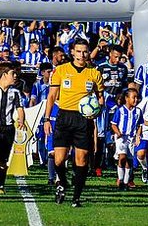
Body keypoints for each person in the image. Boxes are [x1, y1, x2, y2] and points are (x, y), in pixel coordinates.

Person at [43, 38, 104, 208]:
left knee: (82, 160)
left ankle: (76, 197)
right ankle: (62, 183)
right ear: (72, 52)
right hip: (64, 117)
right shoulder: (61, 71)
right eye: (78, 51)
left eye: (85, 51)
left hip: (83, 120)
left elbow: (100, 98)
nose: (82, 54)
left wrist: (97, 108)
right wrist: (47, 119)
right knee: (58, 159)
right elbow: (52, 97)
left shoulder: (95, 74)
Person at [0, 62, 25, 194]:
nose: (15, 76)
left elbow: (20, 107)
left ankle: (1, 185)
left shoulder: (15, 92)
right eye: (12, 73)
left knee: (3, 159)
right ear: (4, 75)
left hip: (9, 128)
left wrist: (21, 120)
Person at [111, 88, 143, 190]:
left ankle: (125, 182)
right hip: (122, 137)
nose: (136, 100)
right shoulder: (120, 110)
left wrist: (138, 136)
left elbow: (140, 125)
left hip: (131, 138)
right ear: (126, 98)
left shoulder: (138, 111)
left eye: (137, 98)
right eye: (133, 97)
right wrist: (118, 133)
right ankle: (120, 179)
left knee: (129, 161)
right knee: (122, 157)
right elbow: (113, 124)